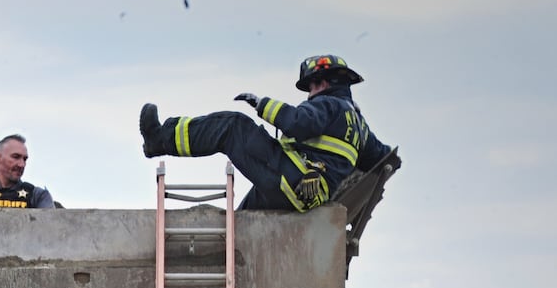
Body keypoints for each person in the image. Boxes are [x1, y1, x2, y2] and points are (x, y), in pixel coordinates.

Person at [139, 54, 392, 212]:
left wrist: (262, 104)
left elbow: (298, 123)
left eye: (314, 84)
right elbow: (380, 158)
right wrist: (394, 160)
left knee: (233, 126)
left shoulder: (329, 105)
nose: (310, 91)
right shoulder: (359, 126)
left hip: (295, 180)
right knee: (248, 211)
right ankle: (231, 243)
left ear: (328, 82)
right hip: (303, 192)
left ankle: (159, 139)